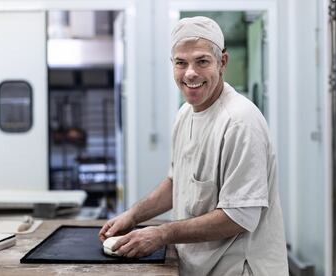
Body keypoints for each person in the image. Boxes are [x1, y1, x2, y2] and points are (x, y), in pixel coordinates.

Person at [99, 16, 288, 276]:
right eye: (181, 63)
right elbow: (178, 182)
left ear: (222, 62)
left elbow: (239, 217)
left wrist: (161, 233)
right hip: (199, 267)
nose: (190, 73)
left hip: (238, 269)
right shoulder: (185, 113)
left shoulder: (239, 122)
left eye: (202, 61)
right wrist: (133, 215)